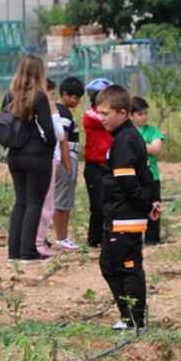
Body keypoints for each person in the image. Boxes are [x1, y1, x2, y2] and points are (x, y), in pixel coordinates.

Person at [96, 85, 161, 330]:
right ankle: (128, 315)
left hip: (125, 217)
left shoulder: (125, 141)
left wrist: (146, 205)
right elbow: (146, 176)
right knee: (109, 264)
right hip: (118, 214)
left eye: (106, 114)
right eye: (99, 114)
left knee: (127, 266)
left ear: (123, 113)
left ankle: (134, 318)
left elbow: (128, 181)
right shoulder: (125, 138)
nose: (101, 119)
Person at [3, 55, 57, 261]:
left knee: (21, 203)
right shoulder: (39, 97)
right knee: (35, 204)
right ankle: (28, 251)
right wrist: (49, 148)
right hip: (36, 156)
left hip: (15, 155)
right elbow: (48, 130)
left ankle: (14, 252)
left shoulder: (10, 95)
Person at [52, 77, 85, 251]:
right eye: (75, 98)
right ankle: (61, 237)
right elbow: (62, 140)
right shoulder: (63, 113)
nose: (77, 102)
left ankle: (62, 236)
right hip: (67, 157)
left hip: (68, 156)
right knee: (62, 199)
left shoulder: (62, 111)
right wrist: (68, 164)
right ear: (65, 95)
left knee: (64, 198)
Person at [34, 79, 66, 257]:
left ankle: (35, 241)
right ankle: (39, 244)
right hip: (47, 160)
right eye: (51, 95)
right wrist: (54, 111)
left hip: (42, 159)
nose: (53, 99)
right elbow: (59, 134)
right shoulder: (45, 111)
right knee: (46, 205)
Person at [83, 78, 113, 249]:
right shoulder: (91, 115)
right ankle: (93, 240)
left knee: (110, 203)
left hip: (108, 163)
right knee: (97, 205)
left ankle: (107, 237)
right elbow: (104, 120)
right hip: (94, 165)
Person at [131, 96, 165, 245]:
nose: (144, 117)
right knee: (135, 206)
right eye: (140, 114)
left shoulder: (152, 130)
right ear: (130, 115)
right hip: (134, 176)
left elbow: (156, 149)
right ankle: (135, 237)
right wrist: (145, 146)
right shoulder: (128, 131)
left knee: (154, 205)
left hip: (152, 175)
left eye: (145, 113)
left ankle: (153, 239)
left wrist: (136, 145)